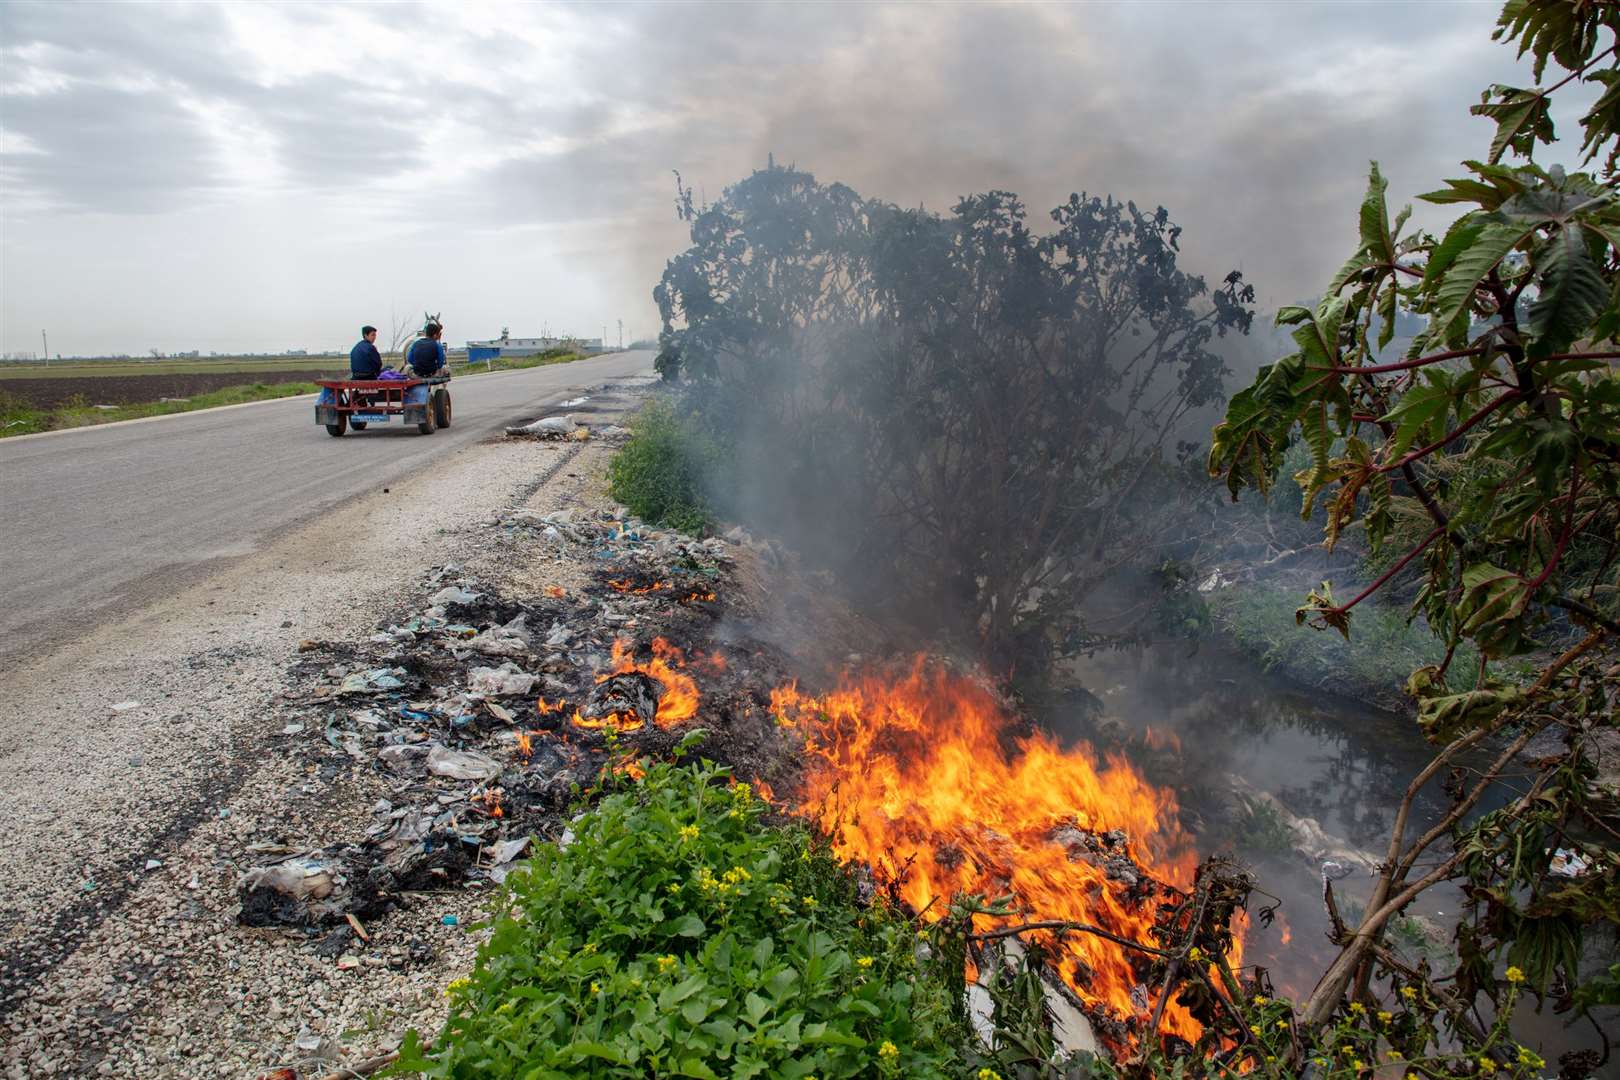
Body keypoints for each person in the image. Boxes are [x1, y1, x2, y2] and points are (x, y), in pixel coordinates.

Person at [404, 321, 449, 406]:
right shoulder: (437, 345)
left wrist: (418, 364)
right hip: (431, 374)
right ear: (435, 335)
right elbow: (440, 364)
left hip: (416, 374)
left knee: (407, 368)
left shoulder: (416, 343)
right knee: (446, 368)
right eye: (439, 335)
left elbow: (409, 359)